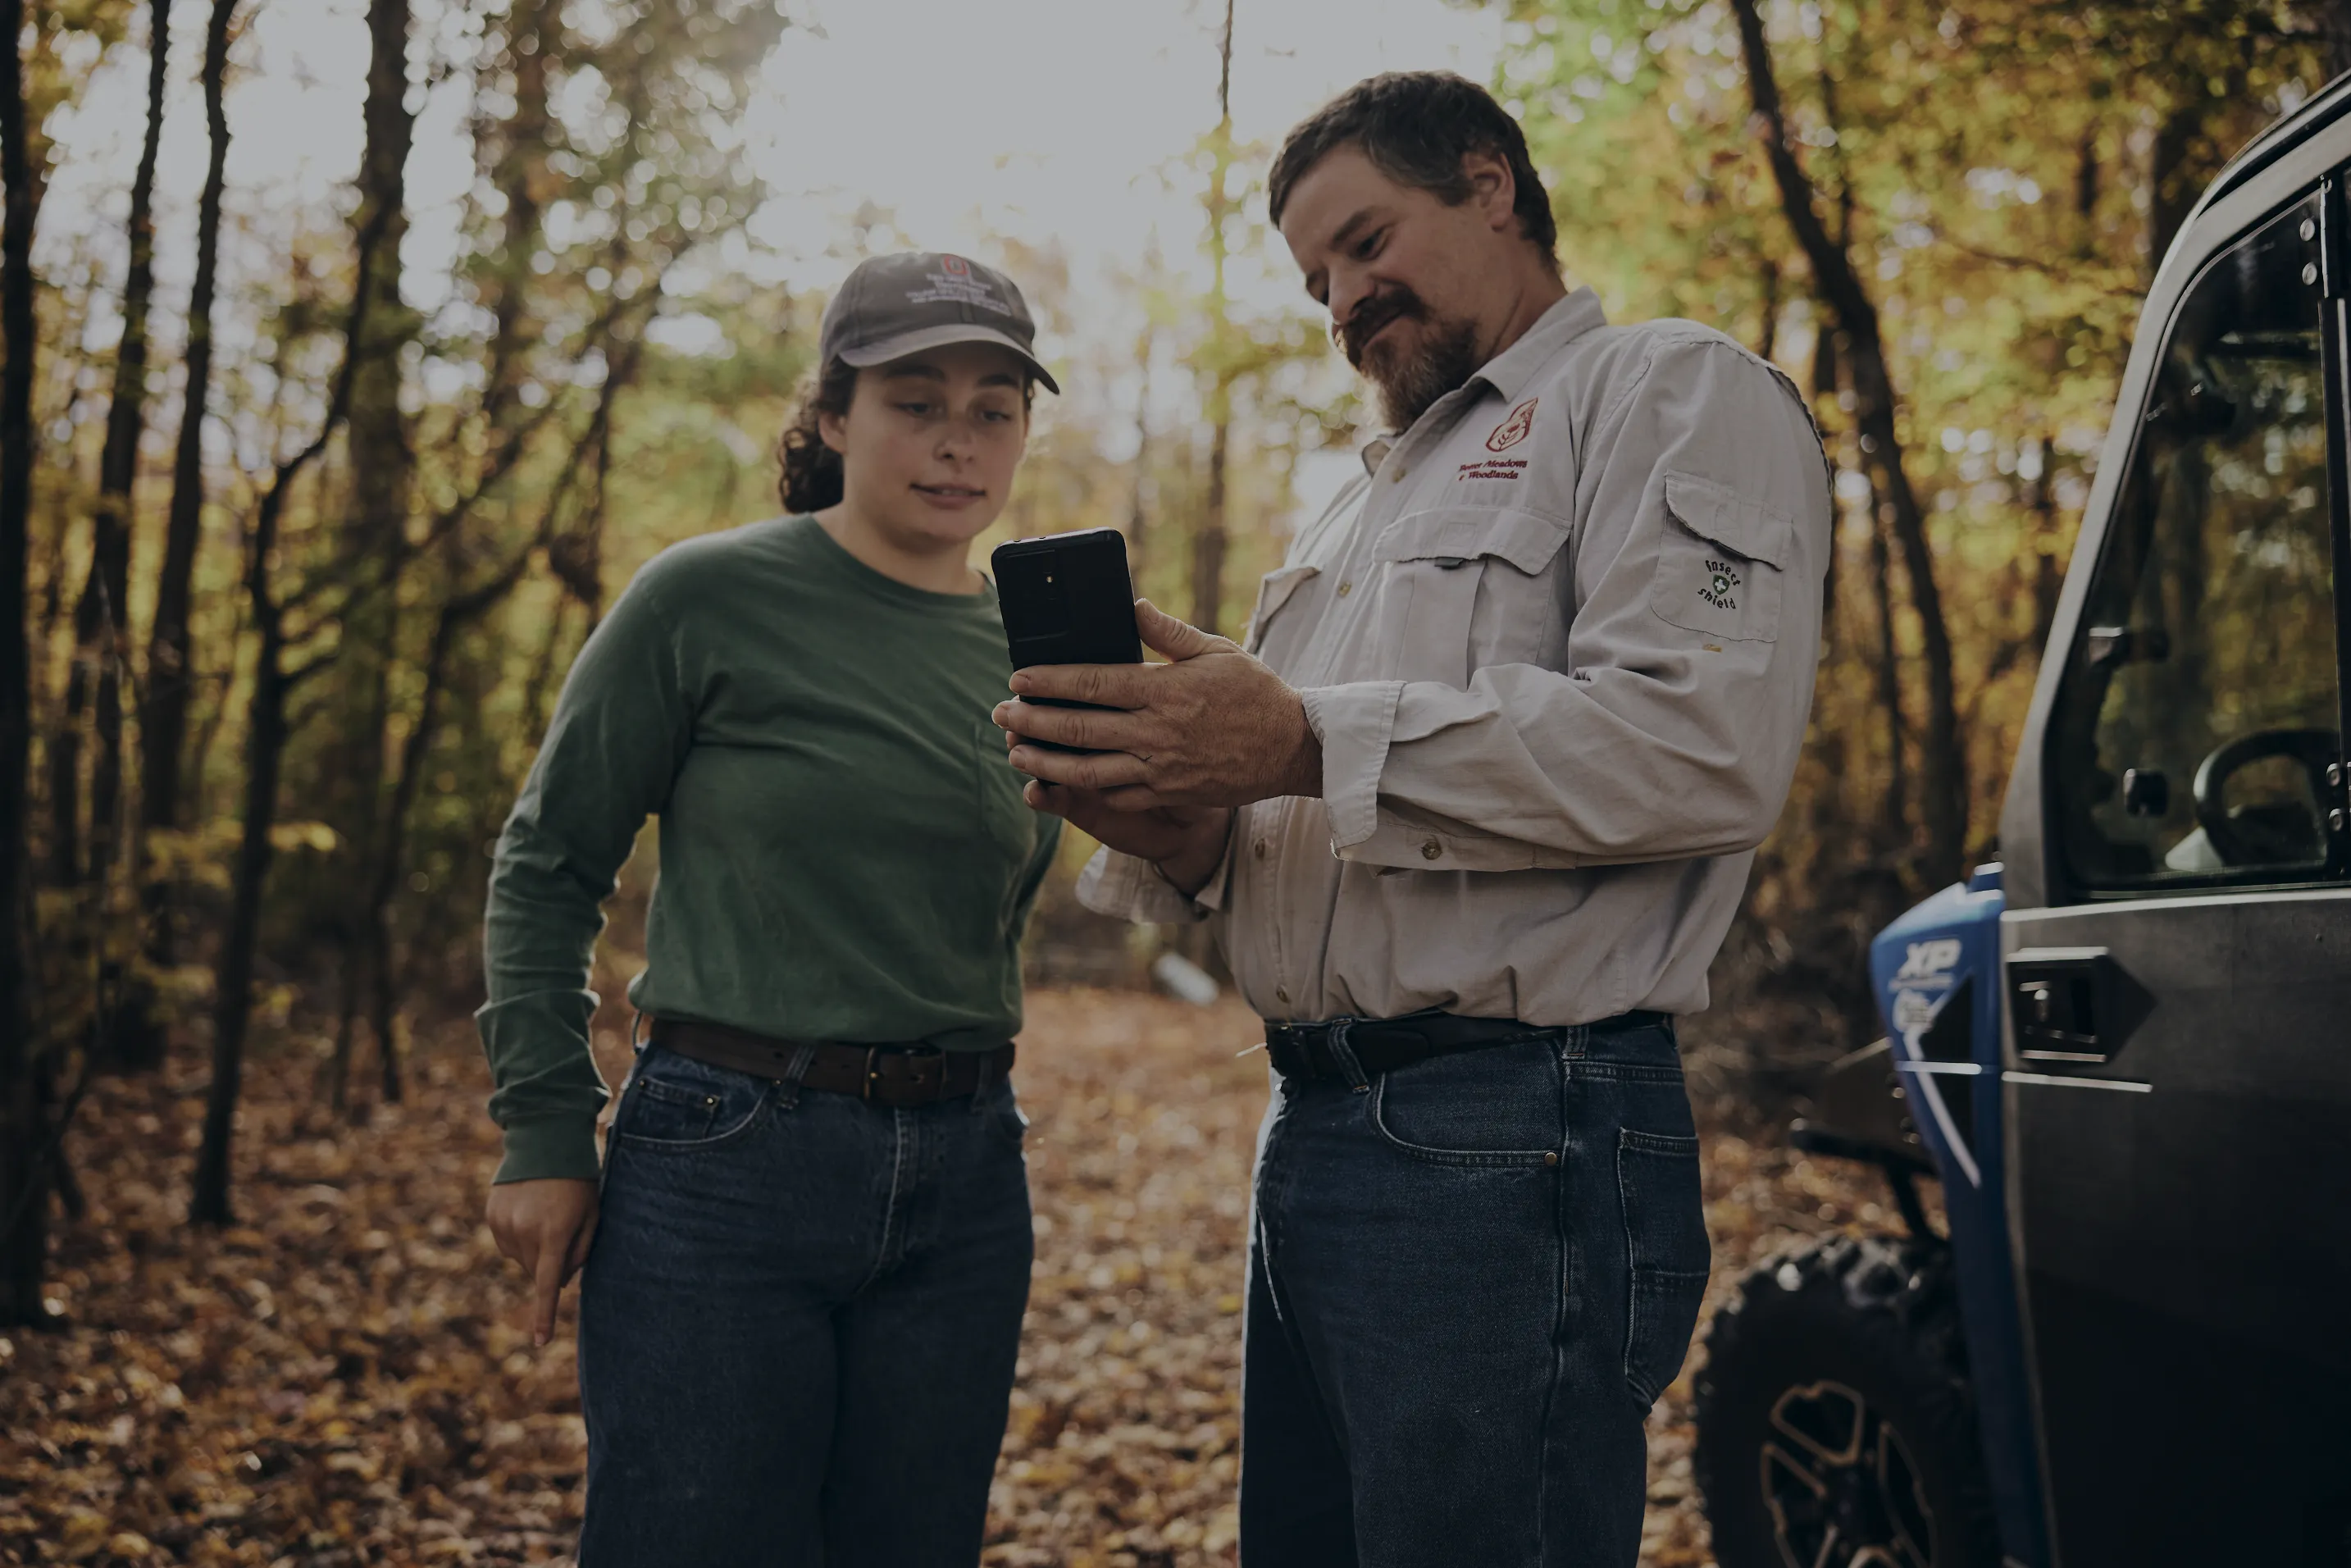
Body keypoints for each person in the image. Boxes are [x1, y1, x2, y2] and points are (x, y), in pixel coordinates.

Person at [997, 72, 1831, 1568]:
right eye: (1317, 279)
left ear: (1490, 181)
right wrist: (1174, 809)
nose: (1342, 299)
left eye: (1366, 241)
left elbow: (1697, 748)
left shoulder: (1668, 390)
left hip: (1516, 1135)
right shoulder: (1359, 503)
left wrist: (1304, 729)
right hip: (1312, 1129)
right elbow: (1309, 822)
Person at [476, 252, 1063, 1566]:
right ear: (833, 418)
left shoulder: (1034, 642)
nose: (957, 441)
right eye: (915, 400)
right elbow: (548, 860)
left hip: (967, 1177)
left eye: (993, 408)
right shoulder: (705, 597)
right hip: (725, 1162)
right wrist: (543, 1126)